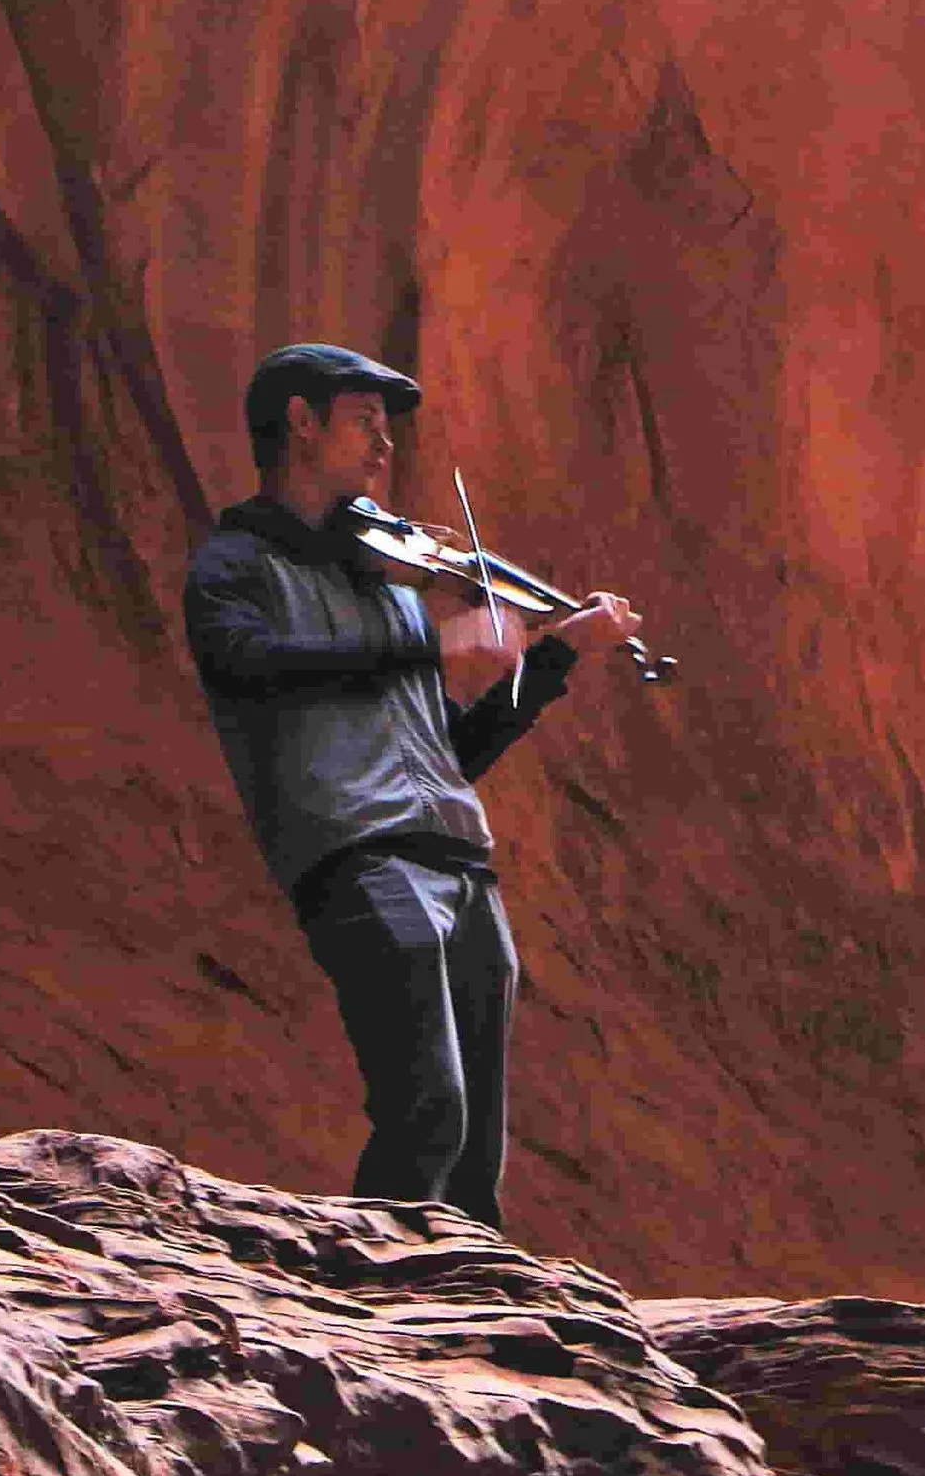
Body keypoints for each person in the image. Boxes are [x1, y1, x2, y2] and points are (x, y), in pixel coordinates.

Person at [182, 340, 643, 1229]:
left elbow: (450, 753)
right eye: (365, 424)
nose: (386, 449)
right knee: (427, 1106)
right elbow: (244, 664)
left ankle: (464, 1320)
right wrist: (428, 643)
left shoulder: (391, 587)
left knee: (478, 1150)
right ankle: (384, 1310)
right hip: (359, 855)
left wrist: (553, 657)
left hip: (460, 861)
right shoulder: (237, 562)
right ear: (301, 424)